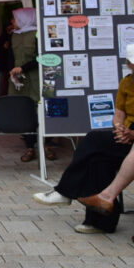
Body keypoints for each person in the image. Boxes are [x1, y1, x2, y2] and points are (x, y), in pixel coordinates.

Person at [33, 44, 134, 234]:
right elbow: (119, 112)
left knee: (94, 140)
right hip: (127, 133)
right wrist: (119, 128)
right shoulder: (127, 82)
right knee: (98, 157)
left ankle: (65, 191)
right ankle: (101, 222)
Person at [7, 8, 53, 162]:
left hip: (36, 77)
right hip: (19, 80)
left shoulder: (38, 34)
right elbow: (9, 57)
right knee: (24, 112)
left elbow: (43, 56)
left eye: (15, 18)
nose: (13, 22)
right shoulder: (13, 35)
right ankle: (29, 147)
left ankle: (46, 144)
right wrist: (12, 71)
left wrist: (24, 68)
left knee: (41, 110)